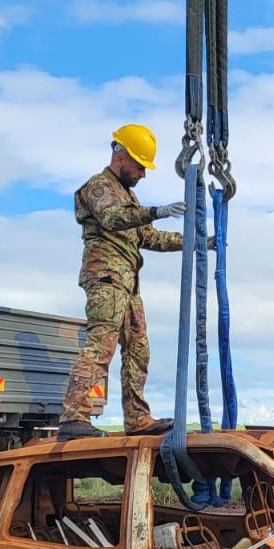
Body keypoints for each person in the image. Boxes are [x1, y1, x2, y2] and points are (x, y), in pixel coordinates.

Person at [57, 123, 200, 440]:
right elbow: (112, 217)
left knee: (138, 351)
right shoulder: (98, 187)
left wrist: (194, 240)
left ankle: (138, 420)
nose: (143, 174)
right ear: (120, 156)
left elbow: (149, 237)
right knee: (100, 347)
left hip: (128, 283)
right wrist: (156, 210)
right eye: (139, 166)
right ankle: (73, 418)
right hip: (106, 277)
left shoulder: (128, 196)